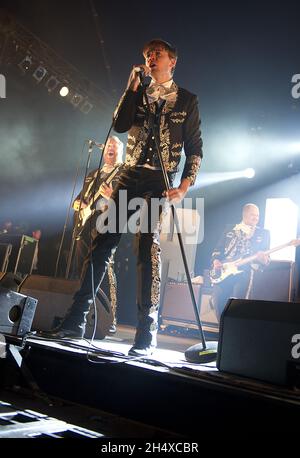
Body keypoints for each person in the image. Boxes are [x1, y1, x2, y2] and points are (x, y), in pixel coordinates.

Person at [41, 38, 203, 356]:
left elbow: (195, 146)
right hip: (130, 177)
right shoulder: (137, 92)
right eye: (146, 54)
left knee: (146, 247)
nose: (150, 57)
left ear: (172, 61)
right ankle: (76, 321)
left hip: (160, 180)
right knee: (103, 242)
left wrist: (185, 184)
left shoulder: (187, 100)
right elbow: (119, 124)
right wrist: (130, 89)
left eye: (157, 54)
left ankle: (146, 334)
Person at [72, 135, 124, 333]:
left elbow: (131, 203)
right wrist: (79, 205)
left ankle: (110, 319)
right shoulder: (93, 174)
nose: (110, 148)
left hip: (107, 225)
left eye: (114, 146)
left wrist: (114, 196)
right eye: (108, 145)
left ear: (121, 151)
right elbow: (78, 200)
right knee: (83, 269)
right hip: (86, 226)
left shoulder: (124, 173)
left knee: (105, 269)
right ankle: (83, 314)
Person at [210, 203, 270, 321]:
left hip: (244, 272)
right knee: (219, 304)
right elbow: (218, 249)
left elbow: (267, 259)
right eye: (253, 215)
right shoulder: (230, 228)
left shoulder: (263, 233)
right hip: (224, 271)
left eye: (257, 215)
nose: (256, 218)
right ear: (244, 214)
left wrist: (263, 259)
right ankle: (222, 333)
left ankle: (234, 334)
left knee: (237, 305)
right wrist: (216, 261)